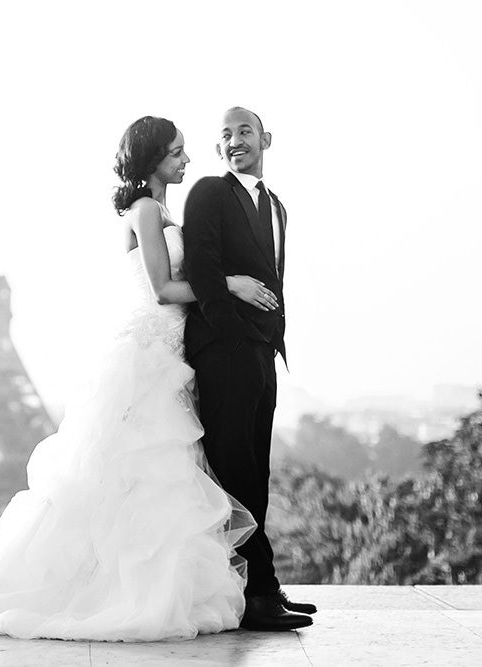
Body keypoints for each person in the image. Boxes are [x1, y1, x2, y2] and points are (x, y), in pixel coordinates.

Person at [0, 116, 271, 641]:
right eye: (177, 153)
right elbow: (162, 288)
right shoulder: (145, 210)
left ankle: (121, 580)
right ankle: (110, 587)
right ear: (153, 157)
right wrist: (228, 285)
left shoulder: (160, 210)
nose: (187, 160)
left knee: (146, 475)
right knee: (136, 471)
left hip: (165, 350)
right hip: (148, 350)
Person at [182, 107, 316, 631]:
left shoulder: (277, 206)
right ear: (218, 150)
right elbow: (202, 269)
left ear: (266, 139)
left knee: (255, 472)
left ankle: (257, 588)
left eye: (244, 132)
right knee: (234, 470)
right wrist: (234, 337)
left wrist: (269, 344)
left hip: (263, 355)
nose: (235, 141)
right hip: (227, 351)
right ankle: (259, 593)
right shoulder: (210, 193)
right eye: (226, 136)